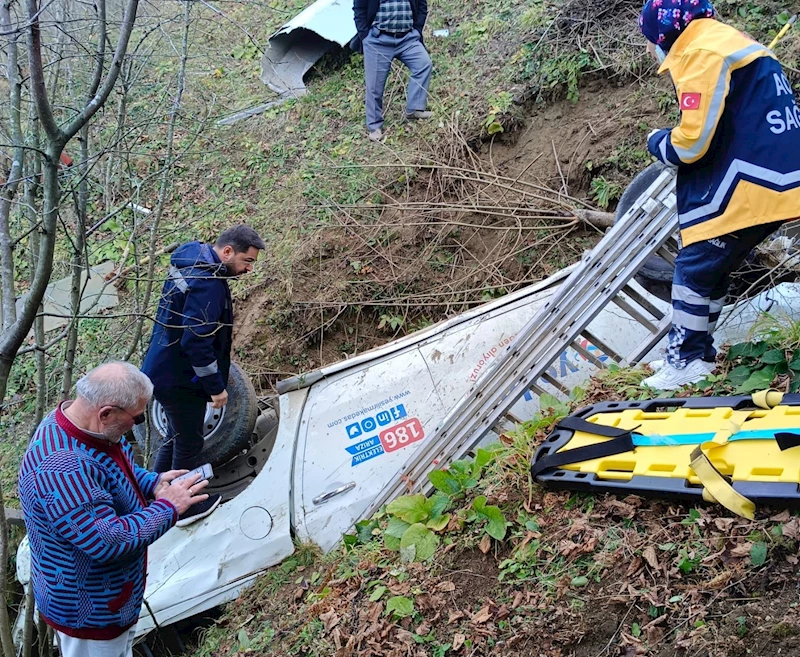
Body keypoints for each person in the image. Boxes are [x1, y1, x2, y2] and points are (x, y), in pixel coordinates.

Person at [638, 0, 800, 390]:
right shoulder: (727, 41)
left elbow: (693, 142)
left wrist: (659, 143)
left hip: (750, 184)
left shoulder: (699, 52)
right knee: (712, 269)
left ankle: (686, 361)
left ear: (664, 32)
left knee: (694, 269)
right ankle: (694, 354)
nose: (648, 49)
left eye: (648, 39)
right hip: (776, 176)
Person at [18, 362, 209, 657]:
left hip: (115, 601)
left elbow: (112, 473)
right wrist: (169, 506)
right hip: (88, 615)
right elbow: (109, 540)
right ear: (106, 412)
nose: (140, 423)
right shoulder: (62, 467)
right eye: (136, 418)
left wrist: (153, 483)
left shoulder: (89, 429)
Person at [140, 224, 264, 524]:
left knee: (176, 435)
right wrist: (216, 387)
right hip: (179, 377)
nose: (248, 269)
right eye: (247, 261)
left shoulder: (193, 261)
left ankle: (153, 496)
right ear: (227, 251)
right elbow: (197, 341)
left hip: (164, 368)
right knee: (190, 442)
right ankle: (183, 506)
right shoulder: (206, 281)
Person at [351, 0, 433, 142]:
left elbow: (422, 5)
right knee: (374, 85)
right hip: (378, 39)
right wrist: (365, 35)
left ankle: (414, 109)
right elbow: (359, 7)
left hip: (408, 39)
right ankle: (374, 126)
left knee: (423, 64)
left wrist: (417, 29)